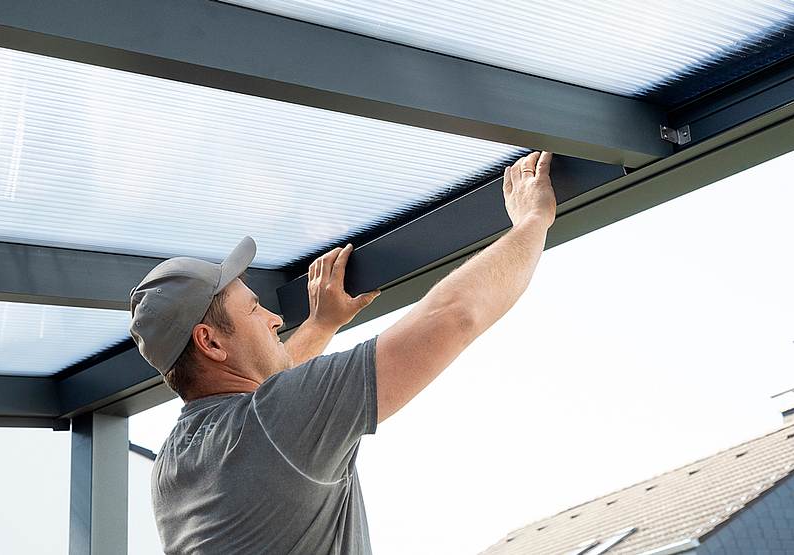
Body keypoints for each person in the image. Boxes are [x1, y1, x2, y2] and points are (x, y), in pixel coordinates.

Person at [129, 151, 557, 554]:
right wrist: (533, 222)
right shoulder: (274, 423)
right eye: (254, 309)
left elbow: (268, 400)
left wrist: (321, 323)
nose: (274, 319)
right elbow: (453, 316)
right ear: (211, 342)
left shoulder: (172, 469)